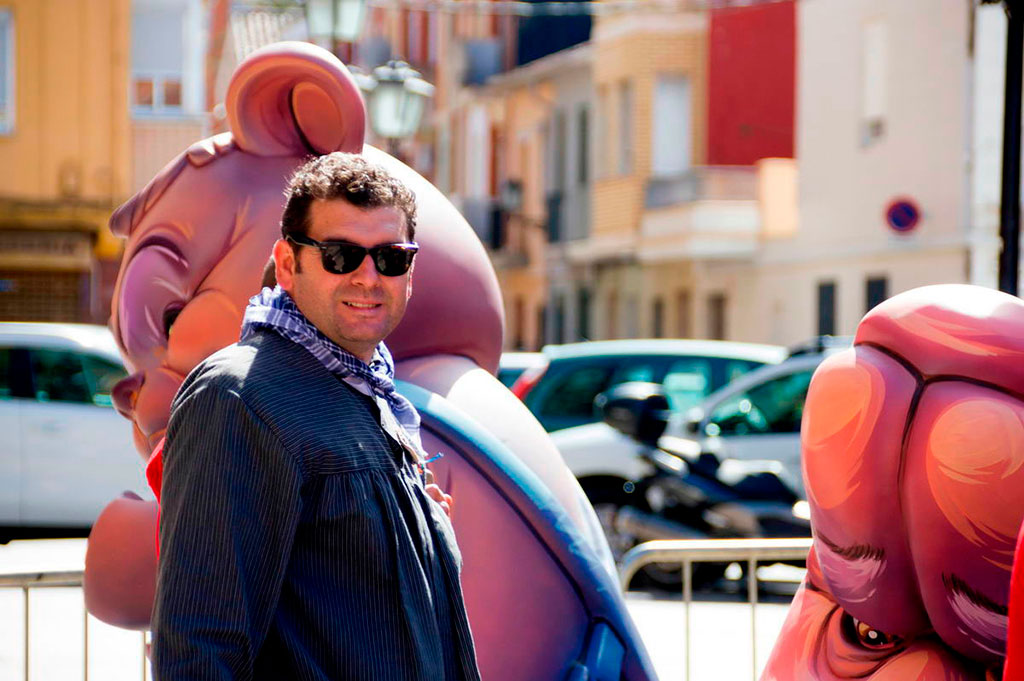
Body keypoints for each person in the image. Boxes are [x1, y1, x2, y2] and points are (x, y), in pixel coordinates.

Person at [152, 152, 479, 680]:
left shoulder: (367, 389)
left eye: (391, 258)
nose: (368, 278)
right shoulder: (239, 396)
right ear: (287, 264)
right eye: (340, 256)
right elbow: (201, 645)